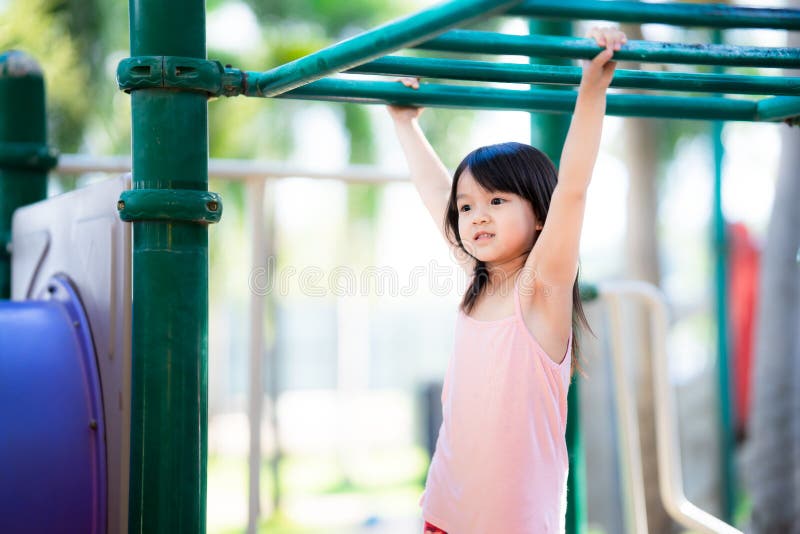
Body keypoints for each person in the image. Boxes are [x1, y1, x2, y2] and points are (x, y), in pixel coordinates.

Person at [386, 26, 627, 534]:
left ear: (539, 214)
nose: (477, 216)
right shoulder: (479, 280)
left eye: (497, 201)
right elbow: (438, 196)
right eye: (469, 206)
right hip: (445, 511)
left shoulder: (540, 289)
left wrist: (591, 90)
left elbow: (574, 190)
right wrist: (405, 125)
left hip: (514, 523)